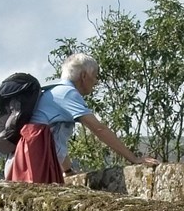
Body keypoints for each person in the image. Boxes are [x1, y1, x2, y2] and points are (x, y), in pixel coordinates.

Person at [7, 52, 140, 183]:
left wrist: (68, 170)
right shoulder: (68, 93)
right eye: (95, 76)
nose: (96, 81)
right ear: (83, 76)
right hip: (33, 164)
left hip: (22, 161)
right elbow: (99, 129)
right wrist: (134, 159)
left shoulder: (52, 91)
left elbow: (53, 139)